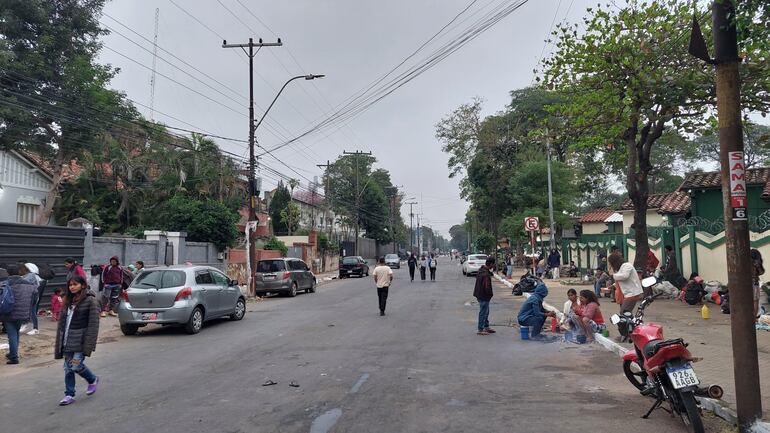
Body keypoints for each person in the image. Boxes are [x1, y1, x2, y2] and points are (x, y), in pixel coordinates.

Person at [54, 276, 100, 406]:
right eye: (70, 285)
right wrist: (60, 341)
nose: (72, 287)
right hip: (67, 342)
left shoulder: (90, 301)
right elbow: (62, 324)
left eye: (75, 284)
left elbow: (93, 324)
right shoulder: (67, 301)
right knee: (68, 369)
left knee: (75, 366)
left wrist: (89, 344)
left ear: (83, 285)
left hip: (80, 343)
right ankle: (69, 394)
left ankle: (92, 379)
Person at [0, 264, 38, 364]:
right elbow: (35, 298)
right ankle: (13, 352)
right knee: (16, 332)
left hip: (9, 313)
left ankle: (14, 357)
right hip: (23, 313)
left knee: (12, 334)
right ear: (19, 272)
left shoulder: (5, 283)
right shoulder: (29, 284)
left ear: (8, 273)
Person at [20, 263, 45, 336]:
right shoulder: (31, 275)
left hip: (33, 297)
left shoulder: (31, 275)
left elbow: (24, 281)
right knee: (28, 311)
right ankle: (25, 324)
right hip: (30, 296)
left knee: (32, 312)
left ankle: (35, 329)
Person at [474, 258, 496, 335]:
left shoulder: (481, 271)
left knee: (486, 312)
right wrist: (490, 294)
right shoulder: (486, 274)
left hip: (479, 294)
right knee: (483, 312)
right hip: (484, 296)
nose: (493, 266)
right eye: (493, 264)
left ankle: (486, 326)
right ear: (490, 264)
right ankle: (480, 329)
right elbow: (487, 287)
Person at [751, 249, 765, 320]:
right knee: (755, 301)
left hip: (745, 284)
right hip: (754, 283)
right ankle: (753, 319)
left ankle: (748, 318)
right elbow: (761, 272)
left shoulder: (746, 261)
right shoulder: (757, 262)